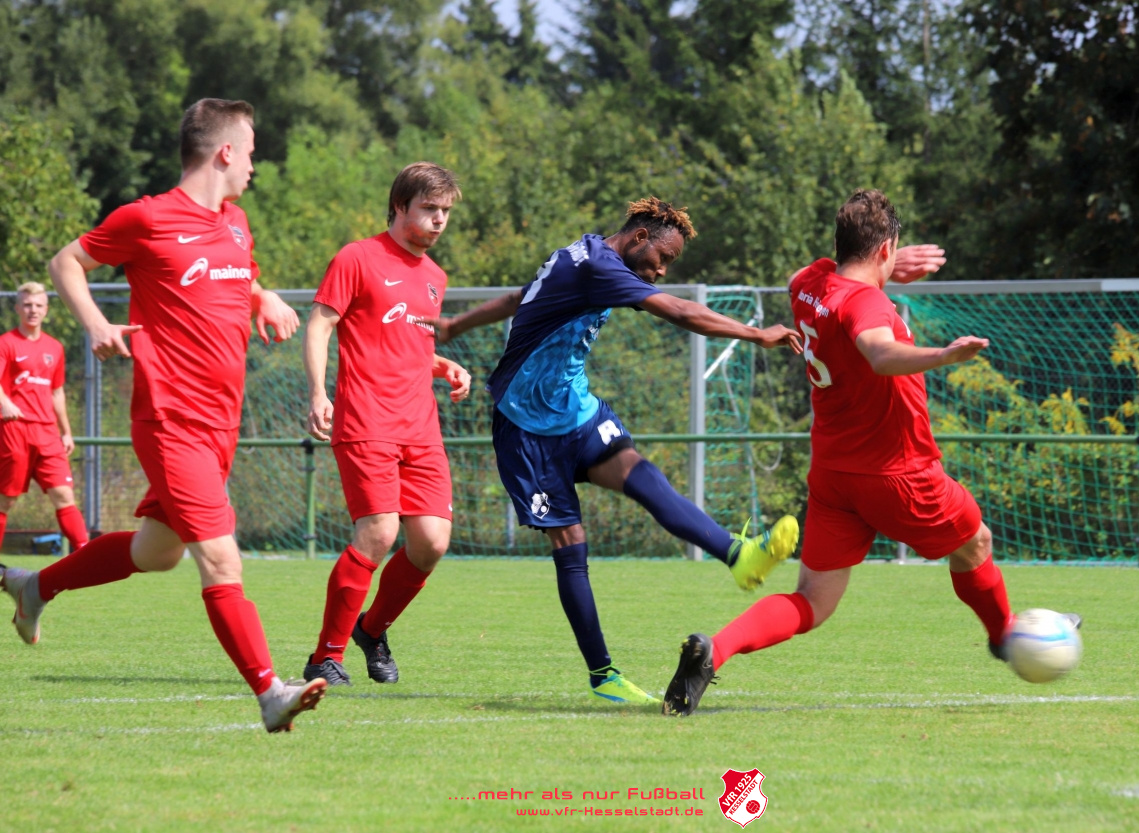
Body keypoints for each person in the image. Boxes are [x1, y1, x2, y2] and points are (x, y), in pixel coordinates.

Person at [662, 189, 1080, 716]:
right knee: (976, 542)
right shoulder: (867, 305)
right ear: (885, 248)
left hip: (834, 475)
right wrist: (945, 354)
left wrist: (886, 269)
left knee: (813, 601)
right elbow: (880, 353)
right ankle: (1004, 638)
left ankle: (714, 651)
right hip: (899, 474)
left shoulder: (808, 284)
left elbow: (812, 277)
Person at [0, 98, 327, 733]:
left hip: (221, 425)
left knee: (156, 553)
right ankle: (270, 692)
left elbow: (239, 275)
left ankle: (32, 587)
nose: (254, 164)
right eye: (251, 151)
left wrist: (262, 297)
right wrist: (95, 323)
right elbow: (66, 262)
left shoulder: (237, 223)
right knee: (222, 561)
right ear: (225, 152)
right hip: (170, 420)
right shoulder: (148, 218)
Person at [436, 198, 804, 705]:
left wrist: (456, 325)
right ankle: (603, 675)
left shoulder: (582, 255)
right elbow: (680, 310)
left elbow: (521, 296)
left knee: (640, 473)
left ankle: (738, 555)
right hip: (526, 425)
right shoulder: (599, 267)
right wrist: (756, 333)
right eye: (662, 258)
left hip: (576, 410)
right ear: (638, 237)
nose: (662, 270)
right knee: (571, 541)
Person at [302, 162, 472, 687]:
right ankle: (325, 656)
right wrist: (317, 391)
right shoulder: (357, 258)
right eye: (429, 208)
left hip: (421, 426)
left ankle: (371, 630)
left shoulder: (436, 278)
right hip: (366, 418)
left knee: (432, 542)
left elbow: (409, 347)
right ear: (400, 206)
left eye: (446, 211)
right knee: (379, 531)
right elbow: (320, 324)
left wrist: (444, 366)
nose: (439, 219)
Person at [0, 282, 91, 554]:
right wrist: (5, 403)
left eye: (38, 305)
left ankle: (85, 556)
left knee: (64, 494)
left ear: (46, 310)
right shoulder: (6, 343)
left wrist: (66, 431)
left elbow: (57, 392)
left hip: (48, 433)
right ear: (17, 308)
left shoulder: (55, 347)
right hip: (15, 429)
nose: (33, 310)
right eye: (27, 305)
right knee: (6, 500)